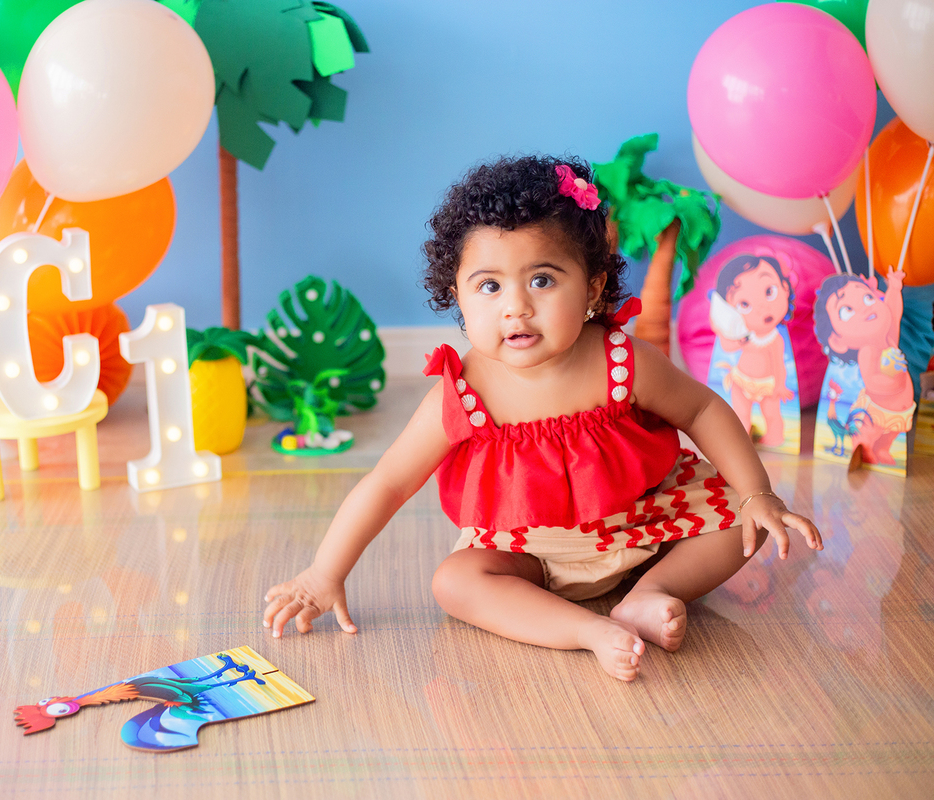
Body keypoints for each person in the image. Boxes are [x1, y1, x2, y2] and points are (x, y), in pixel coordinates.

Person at [262, 155, 822, 681]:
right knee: (454, 583)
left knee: (735, 526)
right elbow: (387, 483)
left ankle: (650, 592)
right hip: (529, 550)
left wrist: (756, 494)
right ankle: (586, 630)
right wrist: (323, 573)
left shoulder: (621, 361)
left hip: (641, 522)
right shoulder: (464, 395)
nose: (516, 306)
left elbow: (701, 408)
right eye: (489, 286)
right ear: (457, 296)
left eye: (543, 280)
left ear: (592, 287)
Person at [813, 270, 915, 465]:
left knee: (892, 433)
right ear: (837, 340)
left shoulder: (889, 338)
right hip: (876, 409)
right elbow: (873, 382)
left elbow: (894, 312)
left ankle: (883, 449)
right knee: (870, 431)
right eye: (847, 310)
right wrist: (891, 378)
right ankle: (863, 448)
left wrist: (894, 288)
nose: (864, 308)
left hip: (899, 408)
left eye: (868, 297)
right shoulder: (868, 350)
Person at [708, 254, 796, 447]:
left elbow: (778, 364)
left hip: (767, 385)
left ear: (785, 288)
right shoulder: (744, 336)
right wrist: (720, 330)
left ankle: (775, 438)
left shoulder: (776, 339)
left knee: (772, 415)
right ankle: (741, 442)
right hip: (742, 380)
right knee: (740, 415)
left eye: (769, 291)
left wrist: (780, 384)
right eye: (744, 304)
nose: (762, 307)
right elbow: (728, 346)